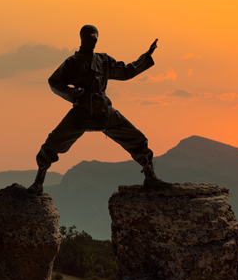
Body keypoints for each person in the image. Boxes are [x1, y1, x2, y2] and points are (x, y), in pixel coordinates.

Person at [29, 25, 172, 192]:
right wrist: (73, 93)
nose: (93, 40)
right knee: (52, 143)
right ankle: (38, 182)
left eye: (95, 36)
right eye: (90, 36)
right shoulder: (72, 62)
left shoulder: (103, 60)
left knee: (137, 138)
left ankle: (150, 176)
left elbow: (126, 72)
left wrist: (146, 57)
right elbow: (54, 81)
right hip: (81, 111)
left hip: (105, 111)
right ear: (82, 38)